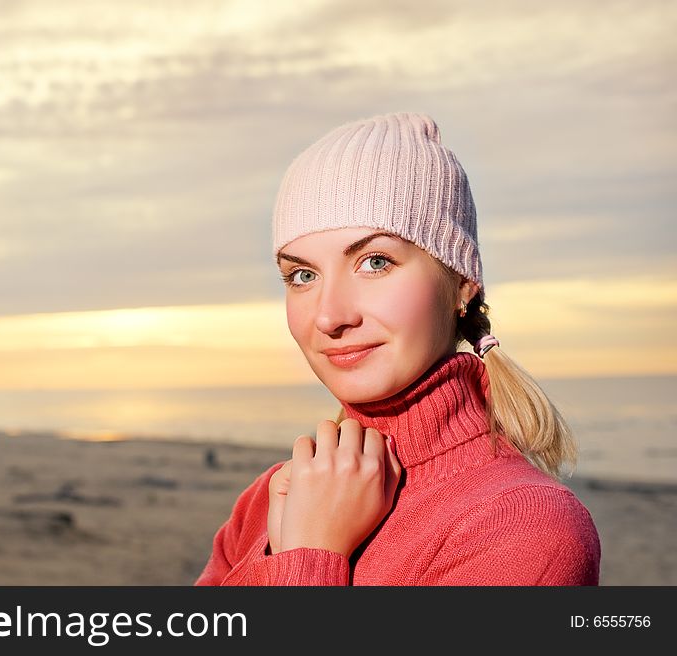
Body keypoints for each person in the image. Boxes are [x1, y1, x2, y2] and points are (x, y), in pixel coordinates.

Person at [194, 111, 601, 586]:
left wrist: (310, 554)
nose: (329, 316)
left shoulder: (527, 528)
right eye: (302, 275)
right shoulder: (269, 496)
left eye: (375, 262)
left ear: (463, 284)